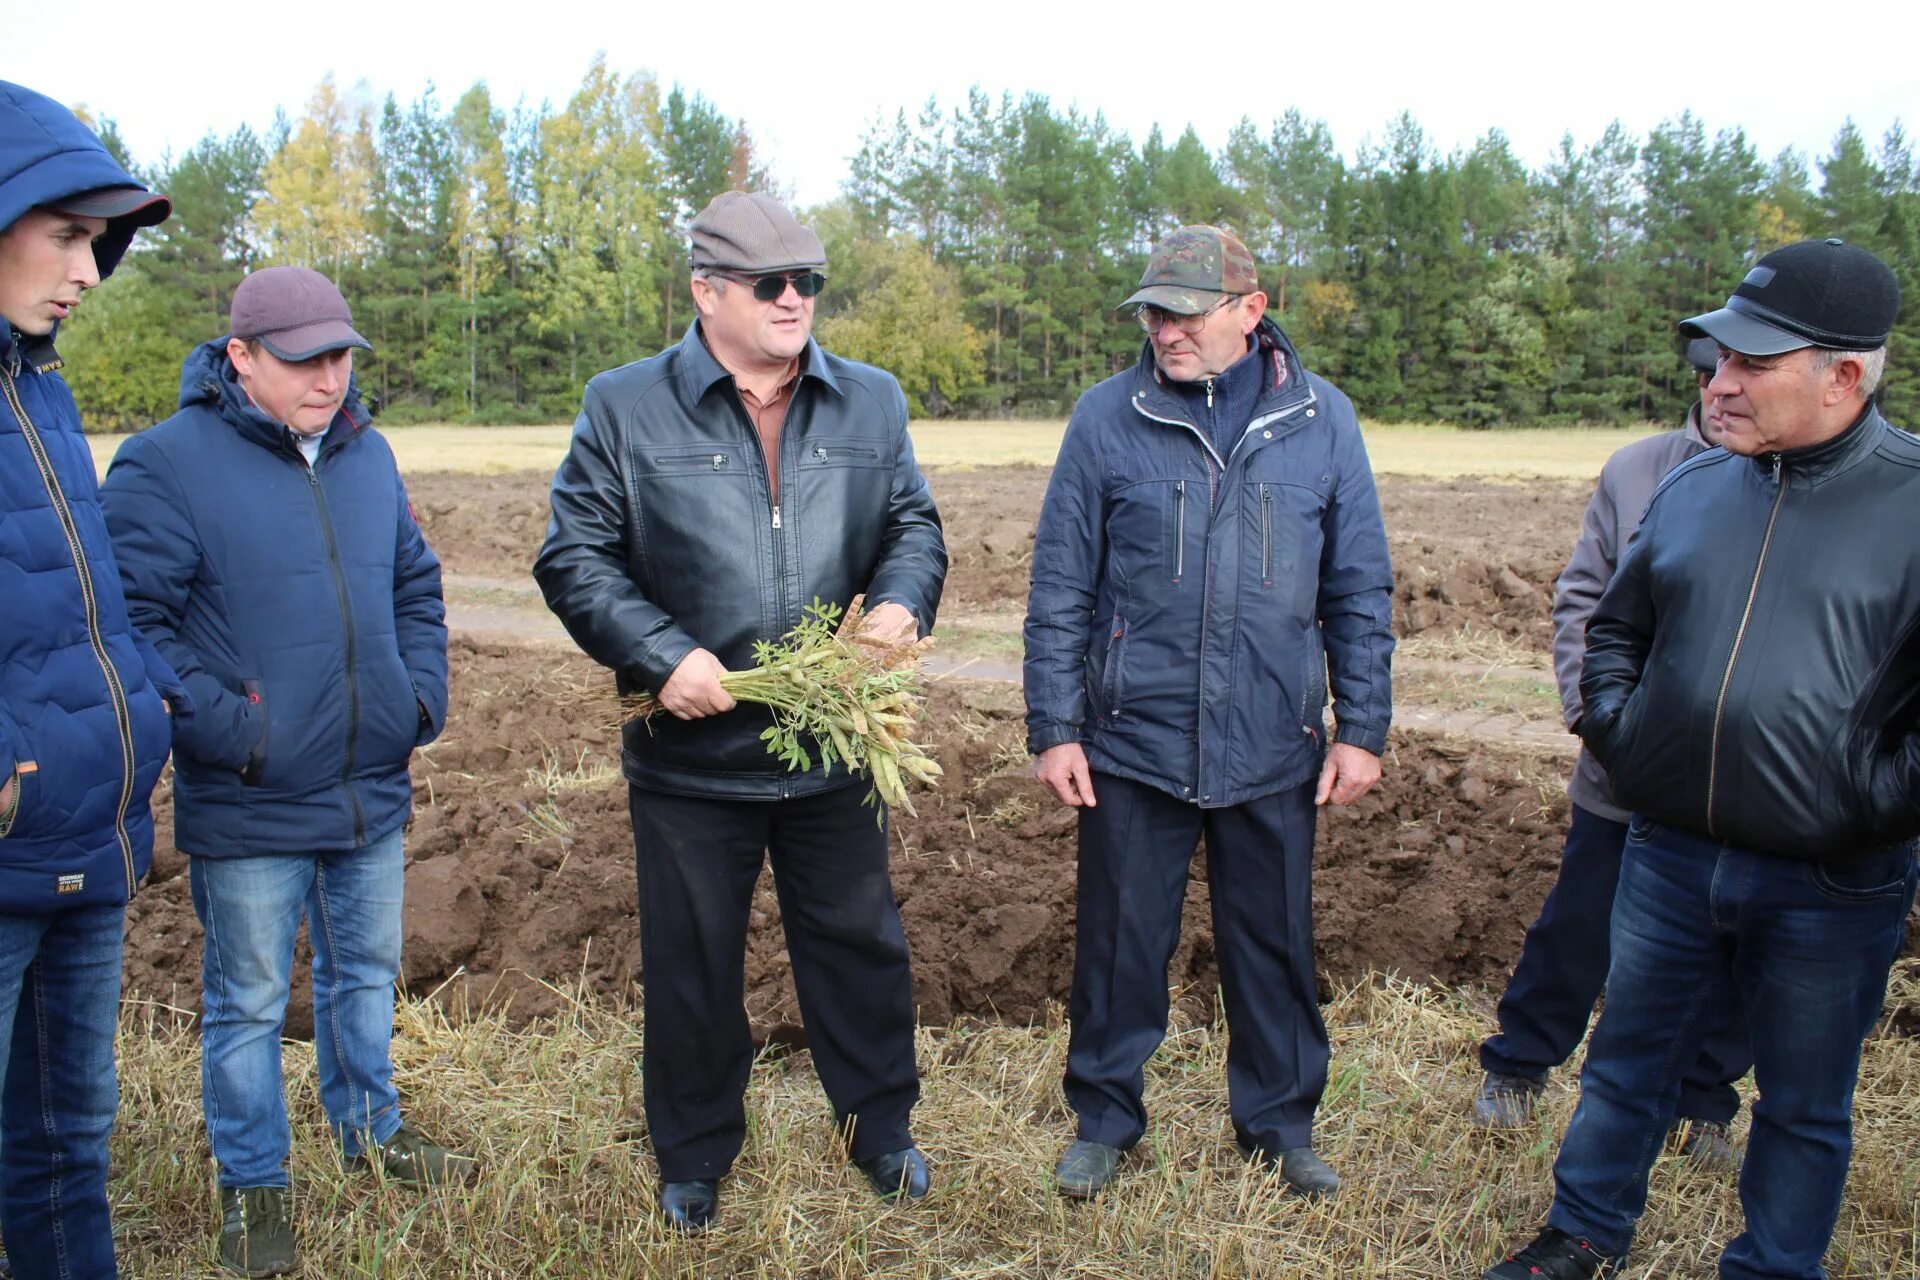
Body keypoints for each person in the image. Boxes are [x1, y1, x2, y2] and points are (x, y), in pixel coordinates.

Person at [1486, 238, 1917, 1280]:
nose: (1717, 383)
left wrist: (1872, 800)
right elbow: (1614, 627)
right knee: (1625, 1063)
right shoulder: (1693, 487)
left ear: (1844, 375)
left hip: (1833, 877)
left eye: (1750, 363)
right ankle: (1580, 1231)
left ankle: (1773, 1263)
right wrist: (1623, 739)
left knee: (1805, 1101)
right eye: (1716, 357)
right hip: (1669, 851)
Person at [534, 191, 947, 1232]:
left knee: (858, 943)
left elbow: (912, 523)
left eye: (808, 279)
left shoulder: (871, 401)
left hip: (831, 741)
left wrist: (900, 599)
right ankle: (696, 1149)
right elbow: (572, 555)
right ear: (705, 290)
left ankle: (881, 1129)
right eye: (770, 282)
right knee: (694, 961)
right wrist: (661, 653)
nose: (795, 297)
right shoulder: (625, 405)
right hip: (690, 760)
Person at [99, 266, 465, 1277]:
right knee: (251, 999)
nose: (330, 376)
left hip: (368, 784)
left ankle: (372, 1129)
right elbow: (133, 626)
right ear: (240, 358)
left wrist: (415, 699)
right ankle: (253, 1182)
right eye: (305, 358)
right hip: (252, 790)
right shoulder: (163, 466)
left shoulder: (365, 452)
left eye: (341, 354)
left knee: (364, 973)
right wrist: (237, 733)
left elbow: (414, 584)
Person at [1023, 225, 1394, 1200]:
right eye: (1154, 311)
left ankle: (1279, 1122)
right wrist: (1055, 722)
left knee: (1273, 945)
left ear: (1250, 311)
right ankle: (1105, 1117)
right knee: (1119, 943)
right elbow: (1062, 581)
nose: (1165, 329)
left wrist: (1362, 726)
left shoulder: (1323, 420)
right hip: (1132, 739)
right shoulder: (1109, 417)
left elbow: (1358, 586)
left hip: (1275, 738)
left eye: (1186, 312)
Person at [1473, 337, 1752, 1167]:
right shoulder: (1637, 471)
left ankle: (1704, 1098)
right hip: (1625, 766)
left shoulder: (1798, 481)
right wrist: (1592, 714)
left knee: (1735, 939)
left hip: (1749, 779)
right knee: (1580, 923)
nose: (1718, 388)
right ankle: (1520, 1063)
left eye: (1739, 370)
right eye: (1707, 373)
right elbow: (1583, 599)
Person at [0, 80, 177, 1280]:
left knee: (68, 1144)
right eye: (66, 233)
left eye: (98, 242)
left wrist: (149, 710)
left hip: (93, 830)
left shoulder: (42, 392)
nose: (92, 271)